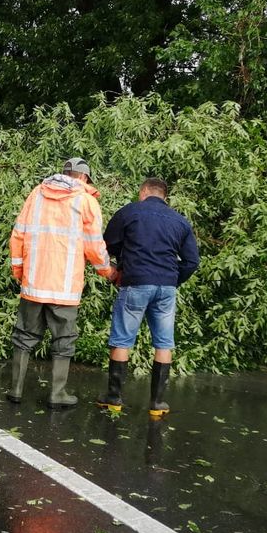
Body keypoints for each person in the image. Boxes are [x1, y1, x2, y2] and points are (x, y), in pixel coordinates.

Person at [6, 157, 118, 407]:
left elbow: (18, 235)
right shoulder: (86, 201)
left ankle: (16, 389)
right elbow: (94, 245)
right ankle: (57, 395)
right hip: (65, 288)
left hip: (34, 282)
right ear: (84, 178)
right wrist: (107, 271)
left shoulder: (36, 194)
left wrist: (19, 272)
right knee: (63, 340)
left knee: (24, 336)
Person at [97, 177, 199, 418]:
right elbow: (192, 261)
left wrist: (115, 270)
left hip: (135, 283)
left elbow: (106, 246)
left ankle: (114, 399)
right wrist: (174, 280)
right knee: (164, 342)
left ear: (143, 191)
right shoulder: (180, 222)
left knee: (122, 339)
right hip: (166, 288)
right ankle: (157, 404)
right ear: (165, 196)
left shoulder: (129, 212)